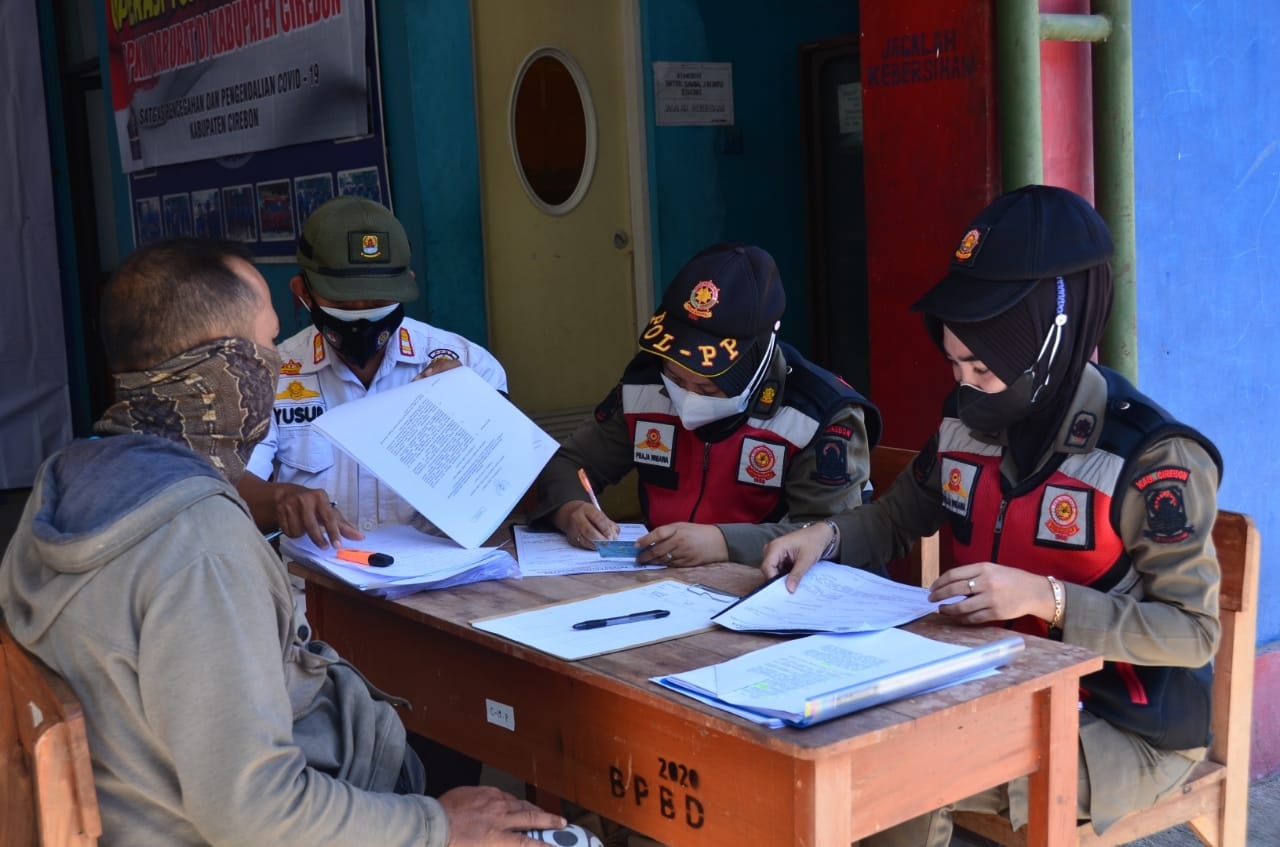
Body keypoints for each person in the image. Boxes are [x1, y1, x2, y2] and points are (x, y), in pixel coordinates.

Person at [0, 238, 579, 846]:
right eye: (266, 347)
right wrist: (440, 827)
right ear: (229, 369)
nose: (279, 366)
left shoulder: (65, 477)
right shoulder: (203, 548)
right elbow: (258, 812)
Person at [760, 185, 1222, 844]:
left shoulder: (1149, 456)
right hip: (991, 691)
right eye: (954, 364)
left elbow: (1193, 632)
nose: (965, 385)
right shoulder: (970, 418)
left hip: (1123, 726)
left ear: (1049, 344)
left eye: (982, 367)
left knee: (895, 775)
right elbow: (897, 516)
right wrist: (825, 535)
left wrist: (1048, 597)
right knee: (842, 745)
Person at [531, 242, 881, 567]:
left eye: (708, 389)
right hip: (665, 584)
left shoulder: (820, 411)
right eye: (676, 379)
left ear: (756, 360)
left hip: (775, 595)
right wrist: (570, 508)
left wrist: (722, 542)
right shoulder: (646, 383)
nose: (687, 397)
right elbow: (571, 462)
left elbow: (829, 534)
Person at [237, 195, 508, 549]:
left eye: (379, 302)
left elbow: (510, 489)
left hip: (438, 587)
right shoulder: (270, 373)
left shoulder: (470, 365)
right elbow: (236, 485)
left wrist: (468, 411)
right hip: (315, 592)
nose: (362, 316)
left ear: (406, 286)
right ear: (302, 291)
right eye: (344, 303)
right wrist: (282, 498)